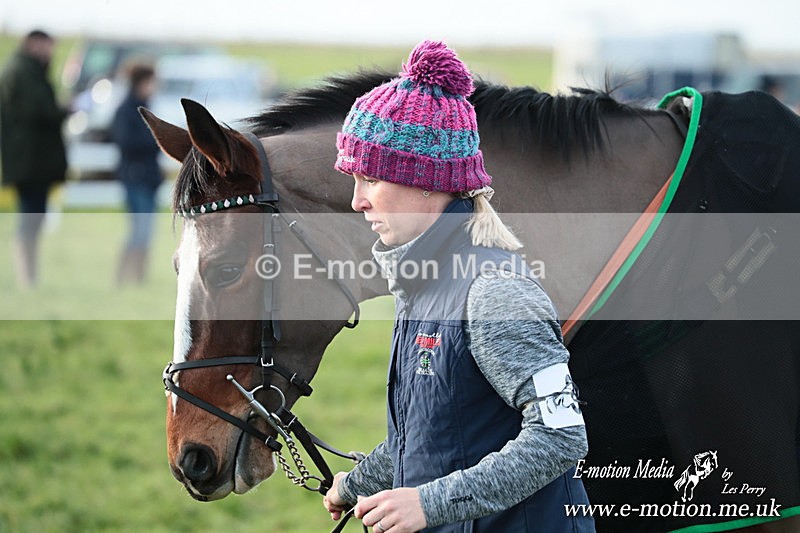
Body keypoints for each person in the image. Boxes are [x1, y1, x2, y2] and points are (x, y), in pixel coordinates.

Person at [323, 40, 594, 533]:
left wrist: (429, 504)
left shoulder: (495, 291)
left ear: (426, 180)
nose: (357, 201)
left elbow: (560, 437)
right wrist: (356, 484)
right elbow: (432, 436)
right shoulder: (422, 285)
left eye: (370, 178)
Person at [0, 30, 68, 288]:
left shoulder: (25, 71)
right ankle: (26, 278)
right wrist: (63, 109)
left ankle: (29, 277)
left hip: (31, 161)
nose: (50, 53)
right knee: (30, 219)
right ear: (34, 44)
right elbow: (40, 111)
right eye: (47, 47)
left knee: (34, 218)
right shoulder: (22, 72)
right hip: (30, 162)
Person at [111, 63, 163, 285]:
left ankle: (138, 278)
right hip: (135, 178)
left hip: (147, 179)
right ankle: (123, 277)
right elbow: (125, 142)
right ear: (142, 82)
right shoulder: (127, 110)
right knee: (139, 233)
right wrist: (156, 139)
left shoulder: (144, 107)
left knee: (146, 234)